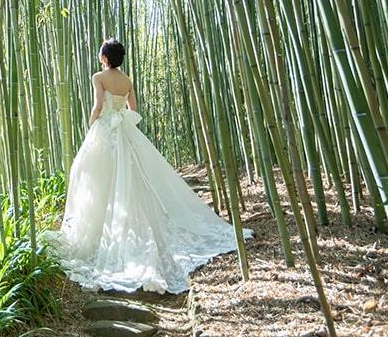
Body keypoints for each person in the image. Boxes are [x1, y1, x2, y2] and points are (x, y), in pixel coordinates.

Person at [43, 38, 248, 294]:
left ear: (105, 58)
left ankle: (100, 232)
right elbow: (134, 109)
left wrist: (92, 123)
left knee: (93, 177)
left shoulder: (99, 77)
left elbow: (97, 105)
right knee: (130, 178)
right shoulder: (127, 80)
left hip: (105, 131)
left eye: (100, 53)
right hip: (124, 132)